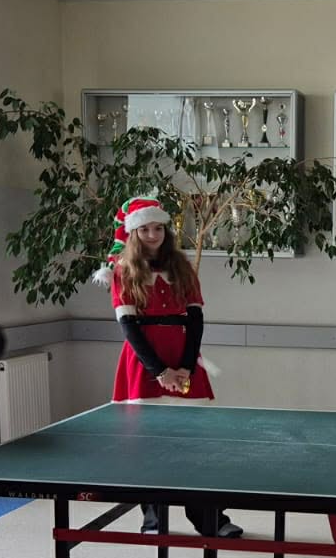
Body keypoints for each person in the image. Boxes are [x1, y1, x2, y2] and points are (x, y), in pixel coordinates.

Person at [98, 195, 241, 539]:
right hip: (143, 365)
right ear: (134, 232)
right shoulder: (123, 271)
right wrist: (160, 372)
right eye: (145, 229)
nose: (152, 235)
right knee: (147, 448)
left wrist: (187, 367)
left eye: (158, 228)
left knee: (196, 446)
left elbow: (195, 320)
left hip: (184, 358)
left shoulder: (182, 268)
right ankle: (153, 522)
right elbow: (129, 328)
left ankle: (209, 519)